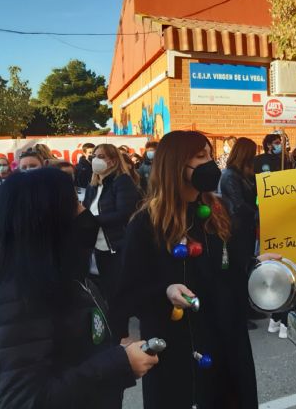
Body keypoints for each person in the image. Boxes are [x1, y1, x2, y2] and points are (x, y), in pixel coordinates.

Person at [113, 130, 279, 409]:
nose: (209, 164)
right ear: (176, 164)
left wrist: (257, 266)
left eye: (210, 156)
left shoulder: (218, 211)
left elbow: (233, 265)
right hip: (175, 344)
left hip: (225, 335)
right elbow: (128, 291)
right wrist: (165, 291)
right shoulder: (146, 223)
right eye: (200, 157)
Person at [0, 168, 158, 409]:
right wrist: (118, 363)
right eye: (74, 203)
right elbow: (22, 401)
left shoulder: (63, 274)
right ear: (45, 218)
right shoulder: (18, 296)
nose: (84, 212)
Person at [83, 144, 141, 301]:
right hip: (97, 247)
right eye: (93, 156)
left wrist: (93, 221)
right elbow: (86, 210)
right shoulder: (93, 186)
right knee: (104, 294)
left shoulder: (122, 182)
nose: (95, 160)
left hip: (117, 246)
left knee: (118, 294)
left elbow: (124, 213)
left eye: (101, 157)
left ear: (114, 161)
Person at [218, 137, 261, 330]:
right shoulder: (230, 176)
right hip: (236, 229)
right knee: (237, 271)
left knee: (246, 267)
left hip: (246, 227)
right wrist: (258, 214)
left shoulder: (245, 174)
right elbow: (238, 204)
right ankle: (240, 313)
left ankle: (248, 306)